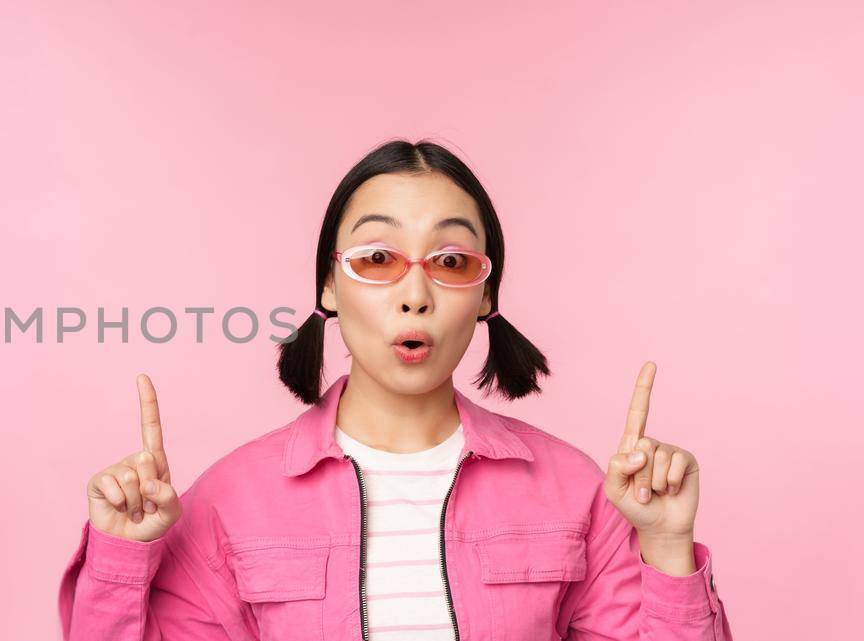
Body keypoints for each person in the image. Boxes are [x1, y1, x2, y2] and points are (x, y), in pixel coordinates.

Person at [57, 139, 733, 640]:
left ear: (486, 292)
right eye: (377, 258)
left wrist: (669, 548)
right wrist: (119, 558)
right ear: (328, 283)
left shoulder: (576, 489)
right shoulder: (228, 501)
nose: (415, 295)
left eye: (450, 261)